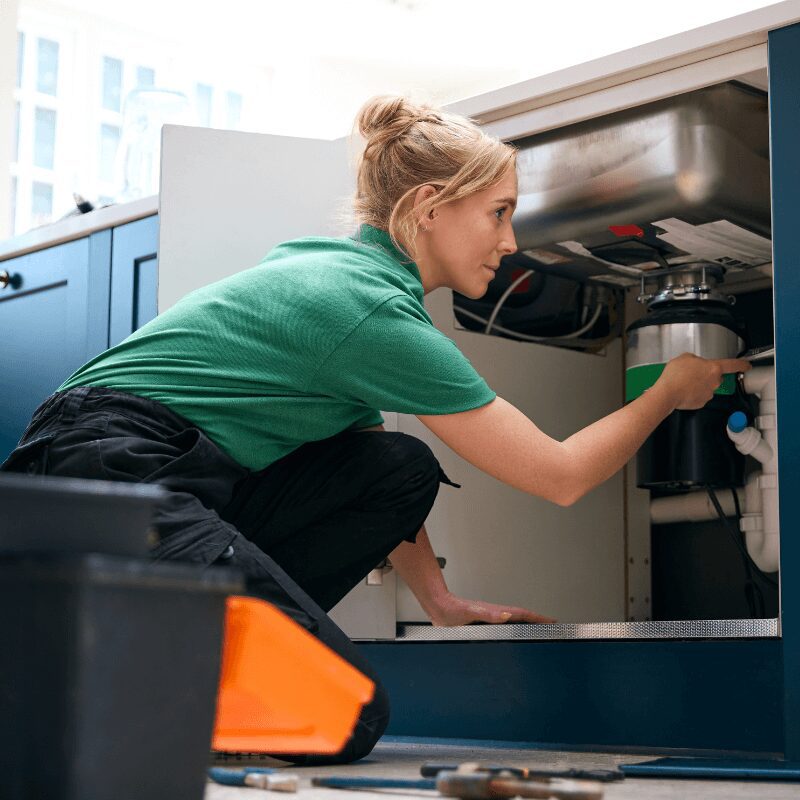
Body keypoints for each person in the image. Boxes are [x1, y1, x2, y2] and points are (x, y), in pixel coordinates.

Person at [1, 95, 750, 763]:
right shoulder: (369, 311)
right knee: (346, 715)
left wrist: (440, 598)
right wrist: (668, 392)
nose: (511, 241)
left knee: (401, 465)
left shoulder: (347, 279)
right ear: (430, 206)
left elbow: (366, 467)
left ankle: (190, 683)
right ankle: (150, 699)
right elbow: (560, 476)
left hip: (159, 476)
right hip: (103, 479)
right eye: (498, 212)